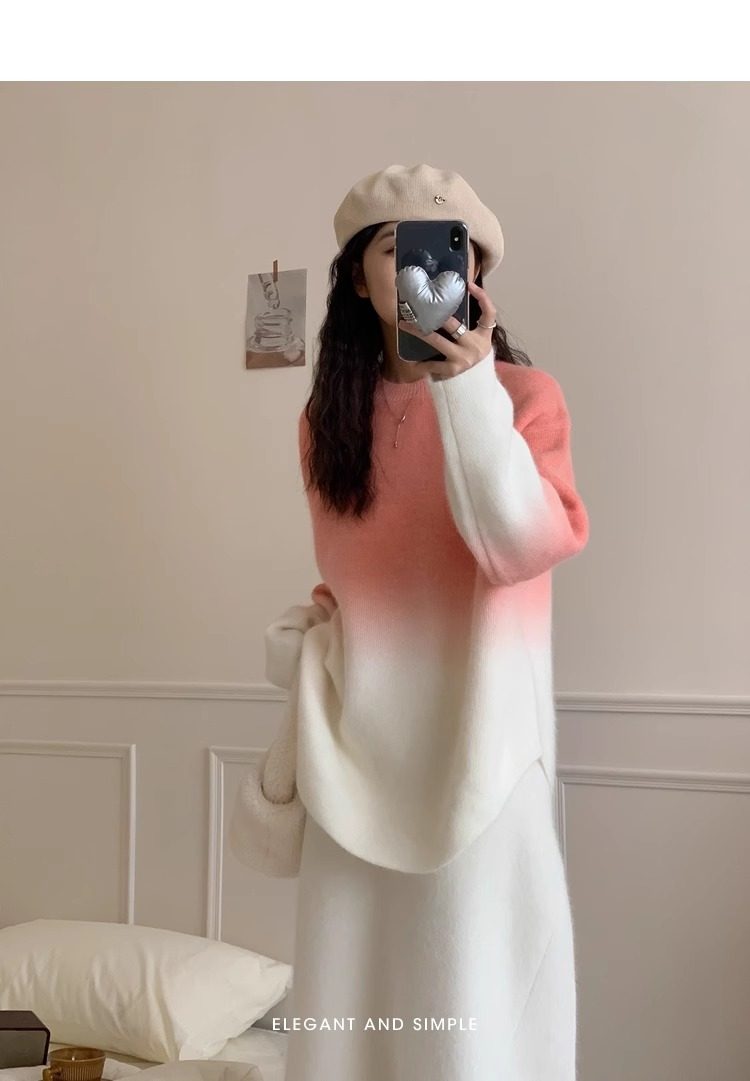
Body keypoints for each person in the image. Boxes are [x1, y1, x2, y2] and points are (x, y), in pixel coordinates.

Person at [245, 163, 590, 1080]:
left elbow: (519, 547)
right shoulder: (329, 423)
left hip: (485, 752)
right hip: (355, 749)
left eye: (450, 250)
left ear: (476, 273)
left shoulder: (525, 398)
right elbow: (350, 575)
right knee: (350, 1015)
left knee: (470, 1018)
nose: (427, 269)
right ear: (360, 280)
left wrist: (469, 391)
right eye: (398, 249)